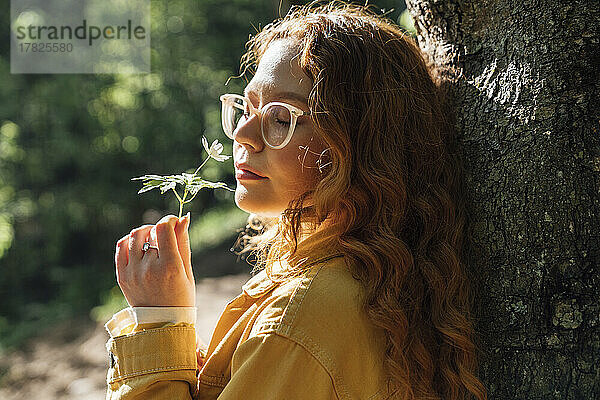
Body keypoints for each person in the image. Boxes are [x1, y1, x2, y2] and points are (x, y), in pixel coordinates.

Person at [104, 1, 488, 399]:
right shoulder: (386, 273)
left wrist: (159, 321)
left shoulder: (301, 319)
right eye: (248, 107)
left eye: (282, 119)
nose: (243, 135)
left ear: (358, 145)